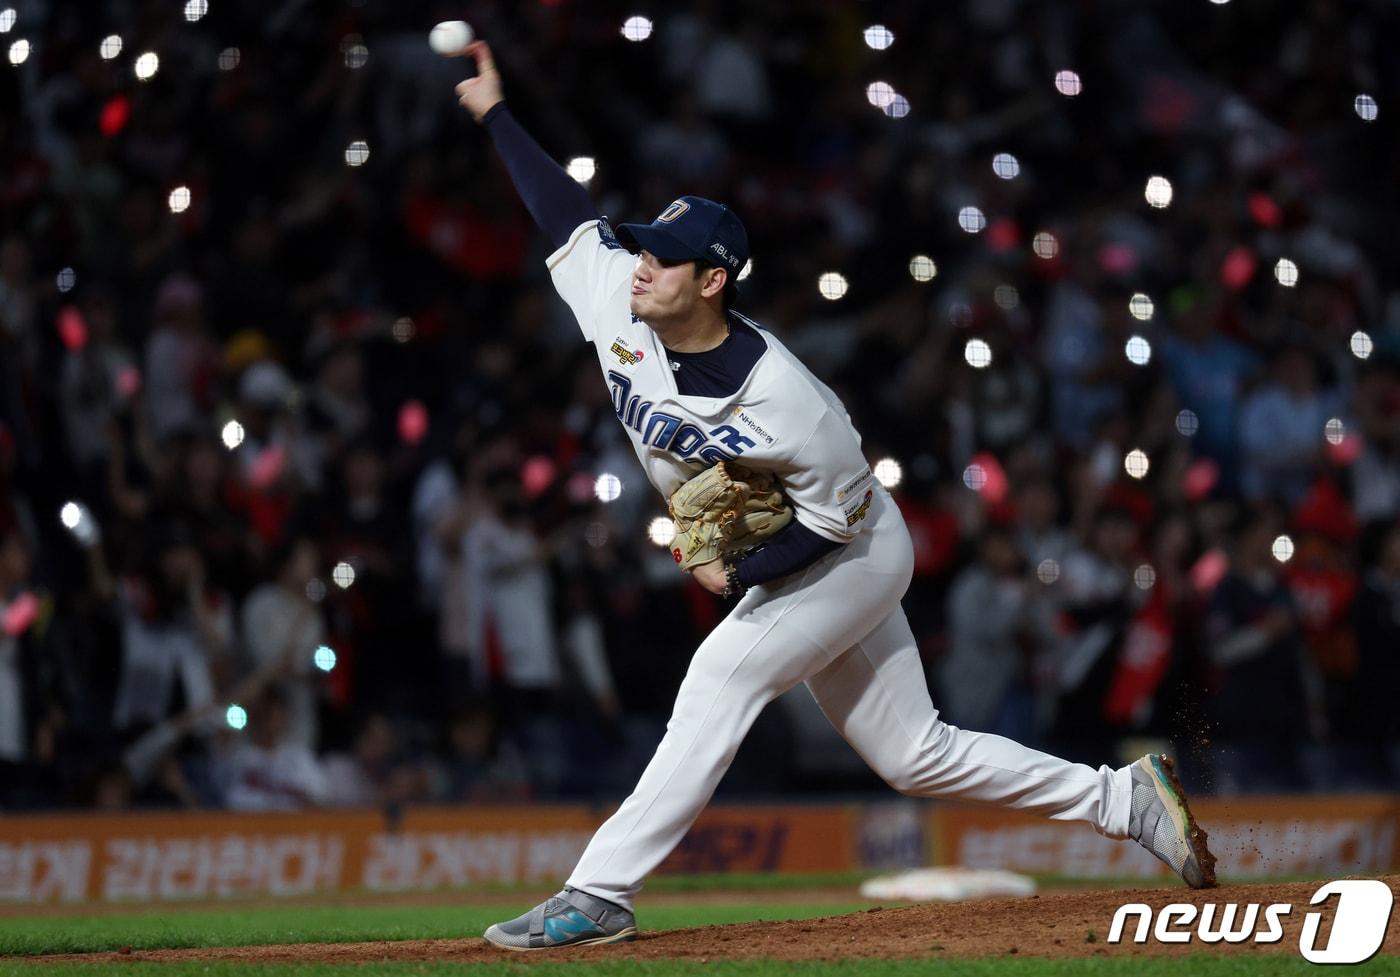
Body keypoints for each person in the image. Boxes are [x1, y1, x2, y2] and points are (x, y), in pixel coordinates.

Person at [453, 42, 1216, 952]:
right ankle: (1123, 798)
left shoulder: (788, 399)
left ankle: (599, 891)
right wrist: (497, 113)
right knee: (913, 752)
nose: (641, 264)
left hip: (850, 547)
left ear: (713, 280)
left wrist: (733, 569)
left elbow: (825, 523)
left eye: (664, 256)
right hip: (815, 545)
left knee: (719, 677)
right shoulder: (621, 295)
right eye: (644, 247)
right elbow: (566, 215)